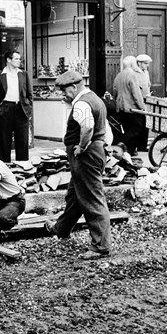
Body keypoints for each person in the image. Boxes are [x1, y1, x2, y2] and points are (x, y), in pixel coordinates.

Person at [45, 71, 111, 260]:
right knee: (75, 194)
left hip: (86, 155)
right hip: (94, 151)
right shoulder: (95, 99)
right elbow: (106, 127)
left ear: (74, 87)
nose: (62, 95)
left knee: (92, 198)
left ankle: (100, 246)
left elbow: (88, 127)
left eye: (64, 90)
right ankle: (61, 228)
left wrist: (82, 147)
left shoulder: (81, 103)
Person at [0, 50, 32, 162]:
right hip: (5, 109)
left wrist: (28, 109)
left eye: (19, 59)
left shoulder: (24, 74)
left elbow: (29, 95)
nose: (19, 61)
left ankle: (23, 169)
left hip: (21, 109)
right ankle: (4, 168)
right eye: (16, 59)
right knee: (3, 142)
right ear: (8, 60)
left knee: (22, 141)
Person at [112, 55, 146, 155]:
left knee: (127, 128)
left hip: (121, 107)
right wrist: (142, 107)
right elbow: (136, 94)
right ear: (132, 64)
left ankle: (130, 151)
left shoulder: (119, 75)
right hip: (132, 107)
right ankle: (120, 143)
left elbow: (115, 91)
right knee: (137, 128)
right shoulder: (132, 75)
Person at [135, 54, 152, 152]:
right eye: (145, 63)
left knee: (146, 123)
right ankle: (138, 145)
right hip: (139, 100)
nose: (147, 65)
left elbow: (148, 84)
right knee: (139, 124)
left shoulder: (146, 72)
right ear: (139, 63)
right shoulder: (135, 73)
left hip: (146, 99)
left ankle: (143, 145)